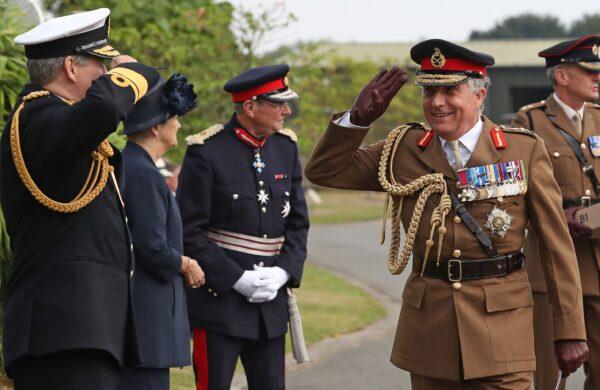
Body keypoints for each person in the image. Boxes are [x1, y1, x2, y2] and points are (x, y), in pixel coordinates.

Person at [304, 39, 589, 389]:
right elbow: (324, 172)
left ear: (479, 95)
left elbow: (556, 248)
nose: (436, 103)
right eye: (428, 92)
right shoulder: (403, 149)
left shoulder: (522, 149)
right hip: (430, 335)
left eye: (450, 91)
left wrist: (570, 331)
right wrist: (358, 119)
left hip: (501, 333)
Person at [0, 8, 159, 389]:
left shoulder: (62, 127)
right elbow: (107, 106)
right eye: (100, 67)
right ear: (71, 68)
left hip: (81, 330)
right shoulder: (38, 119)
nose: (104, 76)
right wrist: (135, 70)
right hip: (62, 330)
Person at [177, 64, 309, 390]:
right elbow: (187, 231)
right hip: (219, 302)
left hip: (271, 305)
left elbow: (297, 223)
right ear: (250, 106)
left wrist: (283, 273)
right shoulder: (206, 152)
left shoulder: (286, 147)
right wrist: (237, 279)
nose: (286, 111)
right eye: (278, 103)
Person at [512, 34, 600, 390]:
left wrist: (586, 219)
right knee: (547, 373)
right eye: (589, 71)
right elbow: (519, 193)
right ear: (562, 76)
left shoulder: (599, 117)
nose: (598, 77)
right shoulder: (530, 121)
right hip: (549, 264)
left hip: (595, 260)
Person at [118, 71, 204, 389]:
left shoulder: (137, 166)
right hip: (146, 322)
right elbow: (151, 245)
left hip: (143, 318)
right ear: (157, 126)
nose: (179, 125)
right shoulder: (143, 174)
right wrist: (186, 264)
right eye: (174, 119)